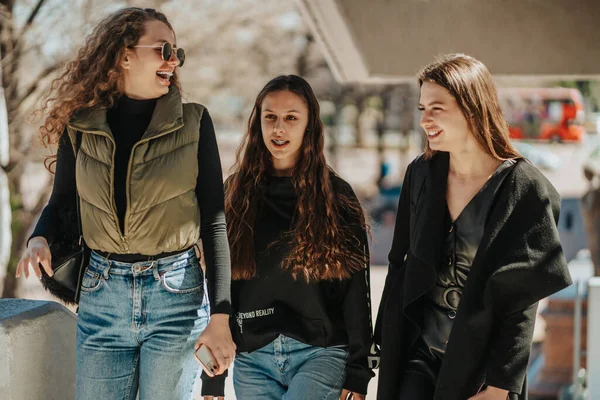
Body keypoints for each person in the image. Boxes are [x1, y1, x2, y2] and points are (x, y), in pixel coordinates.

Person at [15, 7, 235, 399]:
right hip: (102, 296)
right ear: (124, 55)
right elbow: (62, 200)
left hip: (176, 295)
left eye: (176, 53)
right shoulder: (80, 125)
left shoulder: (195, 123)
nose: (173, 60)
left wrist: (221, 314)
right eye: (163, 49)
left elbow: (214, 223)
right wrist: (40, 237)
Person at [374, 54, 572, 400]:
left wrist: (501, 386)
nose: (425, 120)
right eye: (422, 109)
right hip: (416, 356)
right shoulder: (420, 174)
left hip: (482, 367)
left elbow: (521, 299)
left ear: (471, 107)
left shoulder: (523, 187)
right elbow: (397, 270)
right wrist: (373, 356)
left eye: (437, 108)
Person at [202, 75, 376, 400]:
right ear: (258, 123)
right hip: (253, 360)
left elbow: (356, 291)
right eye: (271, 117)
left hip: (320, 354)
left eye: (291, 118)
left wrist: (359, 372)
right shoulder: (234, 195)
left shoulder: (337, 197)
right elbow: (220, 285)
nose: (279, 128)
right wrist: (212, 376)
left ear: (309, 125)